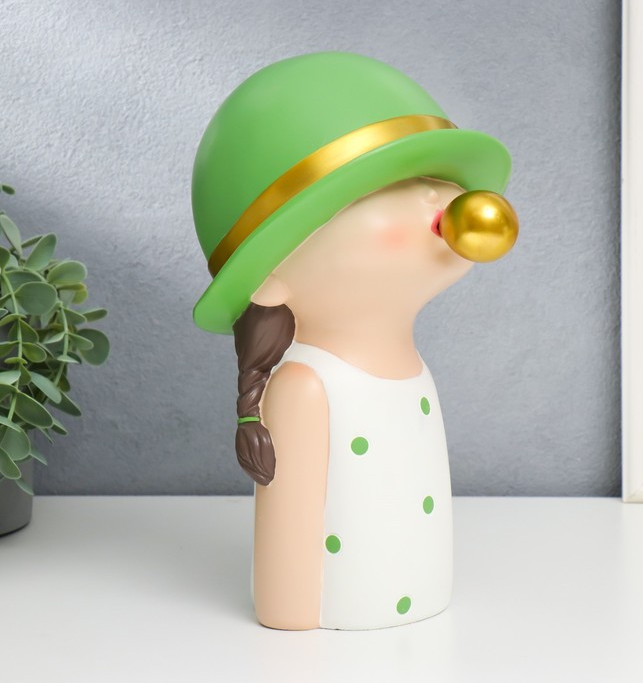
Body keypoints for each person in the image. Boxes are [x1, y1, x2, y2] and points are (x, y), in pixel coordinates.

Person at [191, 51, 515, 630]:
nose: (439, 198)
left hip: (426, 626)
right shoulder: (306, 388)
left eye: (433, 177)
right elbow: (289, 567)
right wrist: (292, 624)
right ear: (269, 274)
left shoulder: (416, 373)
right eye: (389, 186)